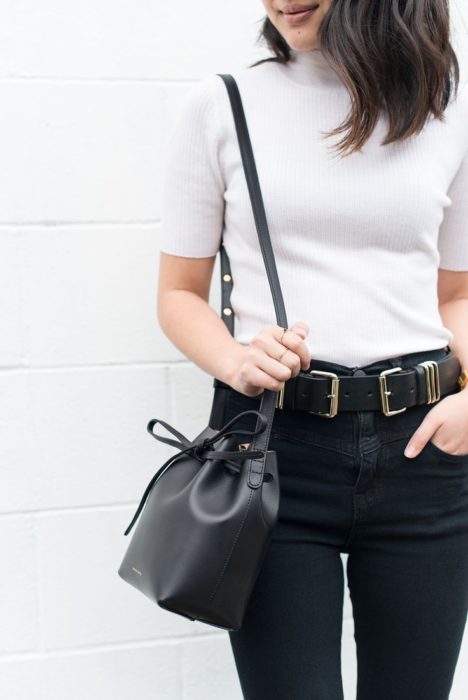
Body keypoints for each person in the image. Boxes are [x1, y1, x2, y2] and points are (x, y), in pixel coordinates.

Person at [157, 1, 468, 698]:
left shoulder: (447, 110)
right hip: (273, 449)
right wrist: (235, 358)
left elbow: (456, 296)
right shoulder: (223, 105)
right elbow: (178, 293)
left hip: (425, 453)